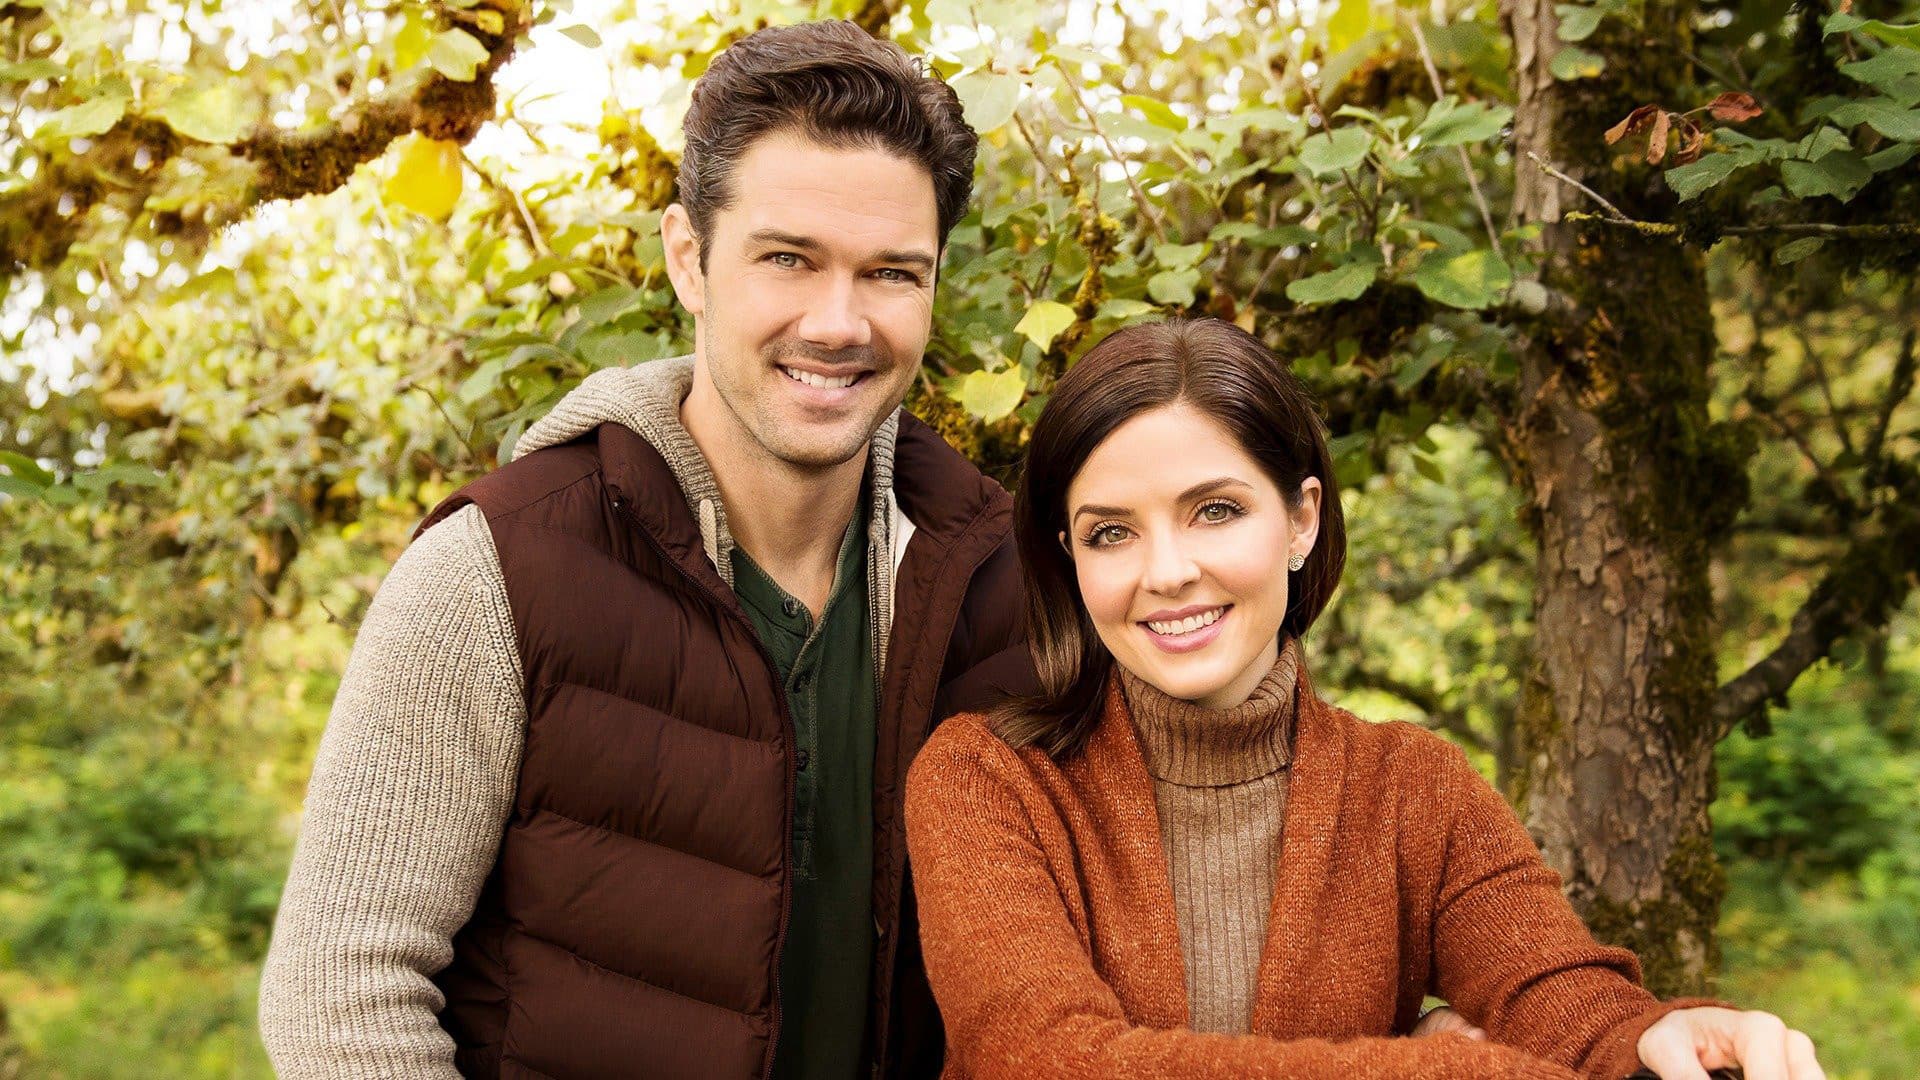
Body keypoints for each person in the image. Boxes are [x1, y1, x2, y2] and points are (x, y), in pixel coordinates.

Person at [259, 20, 1025, 1079]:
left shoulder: (1001, 583)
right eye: (788, 259)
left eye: (892, 274)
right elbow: (340, 992)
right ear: (688, 259)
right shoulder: (492, 574)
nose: (840, 322)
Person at [903, 318, 1826, 1080]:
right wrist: (1441, 1068)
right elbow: (1043, 1060)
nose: (1168, 572)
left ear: (1302, 518)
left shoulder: (1414, 788)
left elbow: (1568, 1009)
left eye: (1215, 510)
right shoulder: (985, 781)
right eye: (1111, 532)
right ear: (1069, 557)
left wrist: (1662, 1040)